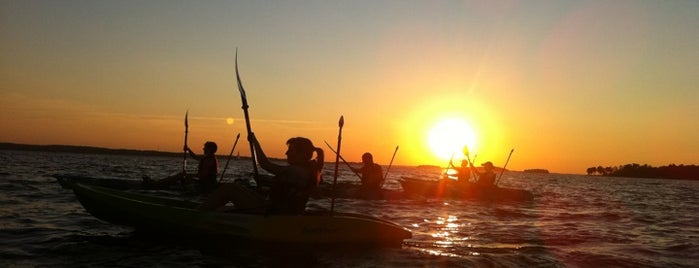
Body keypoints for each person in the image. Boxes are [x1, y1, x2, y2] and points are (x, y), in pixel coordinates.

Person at [199, 134, 324, 214]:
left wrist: (255, 142)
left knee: (230, 189)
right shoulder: (305, 170)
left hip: (272, 212)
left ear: (302, 154)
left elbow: (265, 164)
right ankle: (207, 210)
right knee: (238, 187)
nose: (286, 153)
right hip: (274, 208)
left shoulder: (297, 171)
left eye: (291, 150)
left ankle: (200, 213)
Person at [143, 141, 219, 194]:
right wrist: (188, 149)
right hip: (203, 182)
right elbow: (195, 157)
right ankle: (157, 183)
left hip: (205, 184)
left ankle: (156, 184)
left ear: (210, 149)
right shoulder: (207, 158)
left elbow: (203, 175)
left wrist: (187, 175)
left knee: (180, 175)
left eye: (205, 147)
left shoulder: (209, 160)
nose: (203, 149)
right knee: (181, 175)